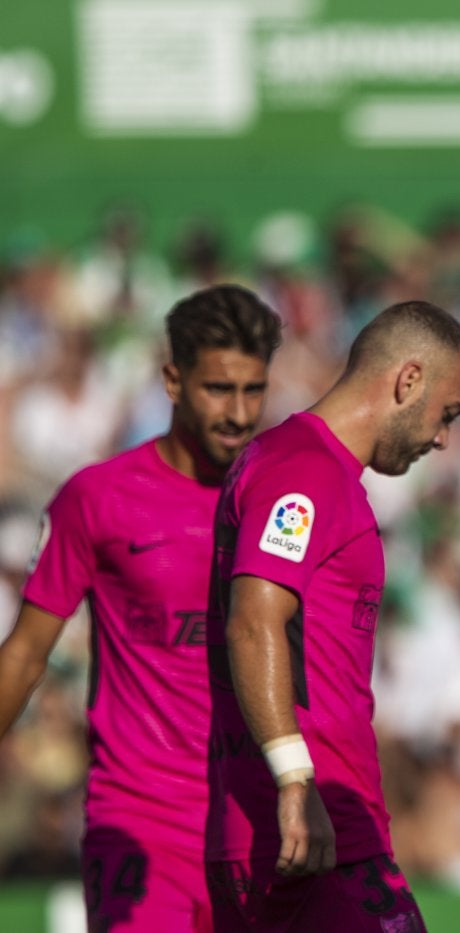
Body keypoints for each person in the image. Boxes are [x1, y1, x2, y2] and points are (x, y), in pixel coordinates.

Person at [0, 284, 282, 932]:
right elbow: (25, 651)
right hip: (139, 821)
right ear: (172, 379)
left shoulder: (283, 506)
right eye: (219, 388)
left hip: (254, 825)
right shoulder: (96, 498)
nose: (239, 413)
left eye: (254, 390)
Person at [204, 300, 460, 932]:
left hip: (295, 820)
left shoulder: (301, 466)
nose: (441, 438)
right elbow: (253, 622)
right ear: (409, 381)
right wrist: (297, 781)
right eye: (446, 414)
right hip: (310, 823)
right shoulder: (303, 472)